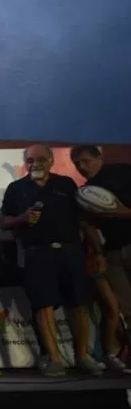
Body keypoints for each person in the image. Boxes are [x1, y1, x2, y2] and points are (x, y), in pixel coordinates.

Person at [0, 145, 103, 377]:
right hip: (38, 254)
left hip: (70, 252)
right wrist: (22, 218)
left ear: (51, 160)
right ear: (24, 163)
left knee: (79, 304)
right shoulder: (16, 189)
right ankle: (55, 360)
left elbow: (84, 222)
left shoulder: (66, 184)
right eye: (30, 160)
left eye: (41, 159)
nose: (35, 164)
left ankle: (83, 356)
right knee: (44, 306)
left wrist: (97, 252)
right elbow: (3, 221)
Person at [70, 145, 131, 368]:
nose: (81, 167)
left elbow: (119, 210)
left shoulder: (123, 173)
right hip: (113, 253)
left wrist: (121, 212)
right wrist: (99, 252)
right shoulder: (86, 192)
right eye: (77, 163)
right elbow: (89, 225)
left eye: (86, 161)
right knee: (125, 307)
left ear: (99, 157)